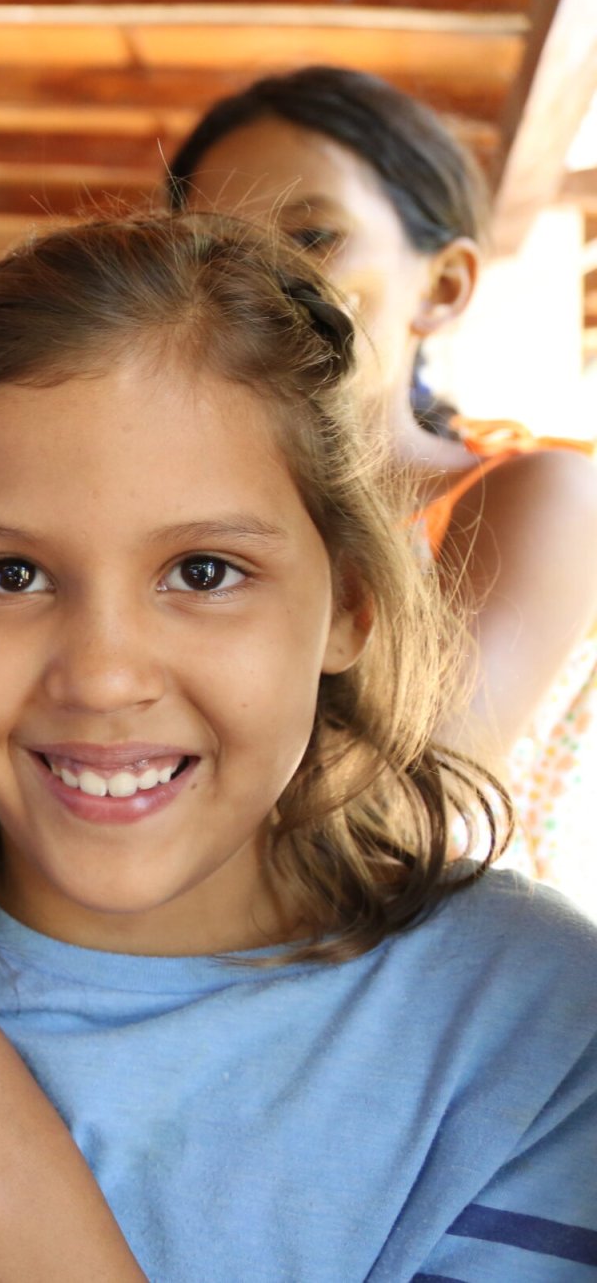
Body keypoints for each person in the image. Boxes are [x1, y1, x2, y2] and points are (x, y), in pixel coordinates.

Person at [0, 215, 597, 1280]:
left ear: (350, 605)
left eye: (201, 572)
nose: (100, 676)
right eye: (10, 574)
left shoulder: (527, 1031)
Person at [168, 66, 597, 902]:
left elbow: (400, 810)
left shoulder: (543, 493)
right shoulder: (167, 515)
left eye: (315, 236)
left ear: (444, 286)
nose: (256, 280)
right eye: (212, 251)